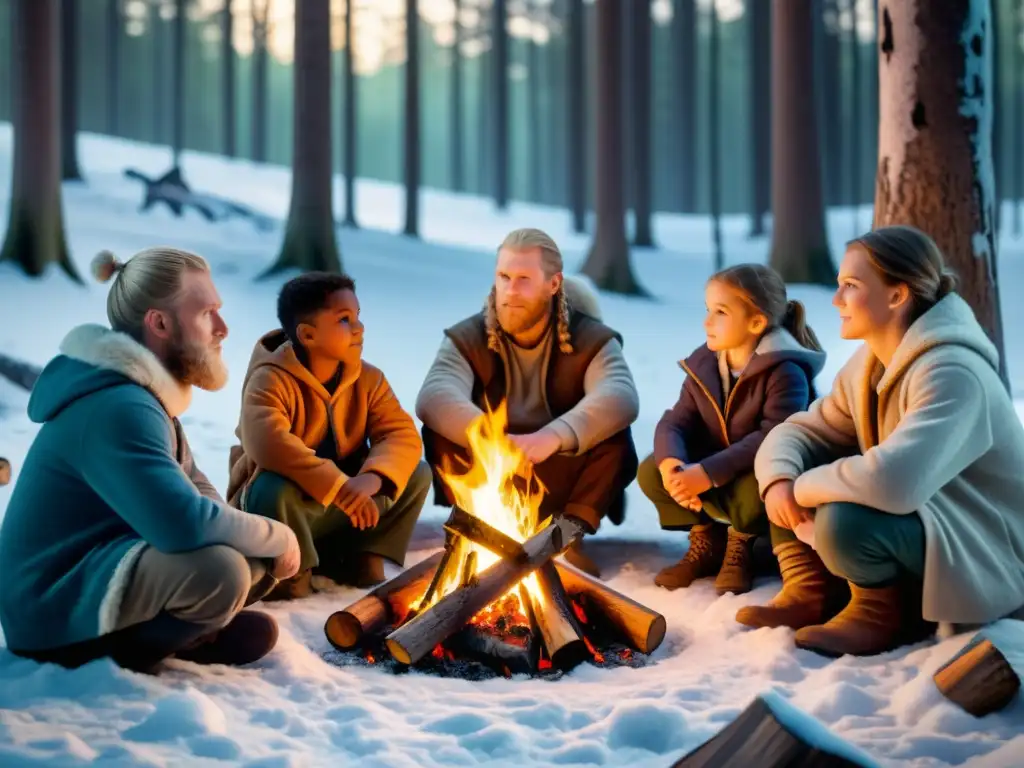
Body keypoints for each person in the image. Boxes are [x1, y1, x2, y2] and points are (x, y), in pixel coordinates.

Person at [0, 248, 299, 673]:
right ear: (159, 322)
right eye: (207, 313)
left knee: (245, 552)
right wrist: (279, 536)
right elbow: (184, 523)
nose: (223, 329)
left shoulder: (149, 399)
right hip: (50, 608)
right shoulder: (120, 406)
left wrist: (258, 540)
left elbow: (201, 494)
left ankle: (188, 626)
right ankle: (136, 648)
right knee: (222, 571)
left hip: (103, 567)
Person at [743, 225, 1024, 657]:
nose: (836, 301)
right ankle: (811, 591)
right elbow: (800, 431)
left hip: (981, 546)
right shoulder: (870, 362)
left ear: (897, 296)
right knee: (775, 477)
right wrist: (781, 480)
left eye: (851, 287)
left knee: (844, 520)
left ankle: (882, 613)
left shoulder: (953, 372)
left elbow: (893, 482)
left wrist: (799, 488)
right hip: (927, 521)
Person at [415, 228, 640, 578]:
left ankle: (565, 538)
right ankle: (481, 529)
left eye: (524, 279)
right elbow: (435, 394)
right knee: (438, 430)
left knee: (614, 437)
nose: (510, 290)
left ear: (554, 284)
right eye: (503, 277)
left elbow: (620, 395)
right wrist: (487, 437)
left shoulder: (589, 337)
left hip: (560, 469)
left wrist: (553, 436)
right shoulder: (470, 336)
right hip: (492, 469)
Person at [227, 272, 429, 599]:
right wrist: (338, 487)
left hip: (350, 508)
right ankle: (293, 570)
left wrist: (371, 479)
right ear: (308, 335)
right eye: (344, 320)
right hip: (295, 509)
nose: (359, 327)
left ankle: (362, 555)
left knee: (415, 472)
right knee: (270, 489)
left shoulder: (369, 379)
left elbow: (400, 434)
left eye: (358, 316)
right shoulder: (270, 379)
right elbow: (268, 442)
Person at [639, 264, 827, 595]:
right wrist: (675, 466)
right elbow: (676, 420)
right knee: (652, 469)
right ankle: (707, 542)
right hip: (719, 471)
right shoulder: (706, 365)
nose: (707, 322)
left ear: (756, 322)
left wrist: (708, 473)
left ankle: (742, 546)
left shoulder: (785, 371)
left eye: (720, 312)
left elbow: (772, 437)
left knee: (761, 483)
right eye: (708, 310)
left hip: (763, 474)